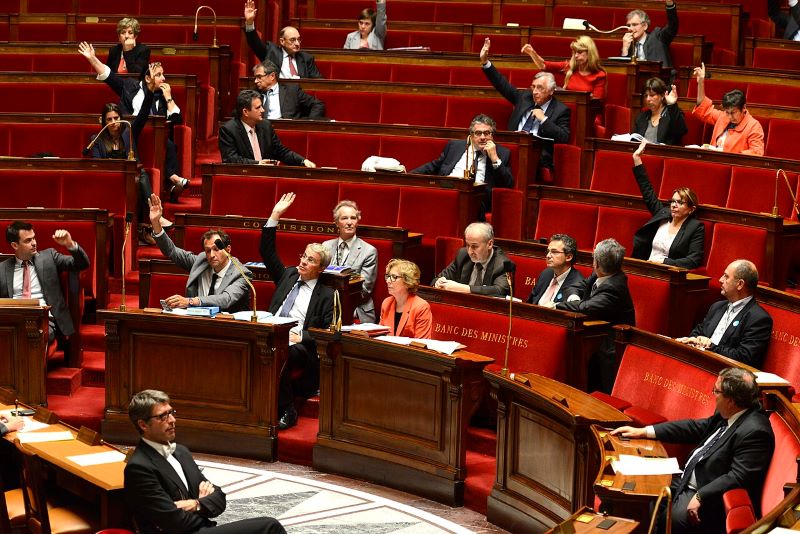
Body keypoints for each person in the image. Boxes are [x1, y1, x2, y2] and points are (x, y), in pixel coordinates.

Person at [611, 368, 774, 534]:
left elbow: (738, 477)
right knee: (642, 490)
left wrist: (700, 496)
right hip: (686, 478)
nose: (713, 394)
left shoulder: (755, 431)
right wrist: (644, 431)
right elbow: (695, 427)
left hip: (707, 494)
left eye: (716, 391)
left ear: (731, 401)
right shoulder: (730, 412)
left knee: (672, 519)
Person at [124, 389, 286, 534]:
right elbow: (175, 523)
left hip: (202, 529)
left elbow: (219, 498)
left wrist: (196, 504)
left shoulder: (180, 452)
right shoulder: (139, 467)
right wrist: (204, 506)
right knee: (270, 527)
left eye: (171, 412)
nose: (172, 420)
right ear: (143, 424)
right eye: (162, 416)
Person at [78, 42, 190, 201]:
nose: (163, 78)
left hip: (153, 137)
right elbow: (109, 75)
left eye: (162, 74)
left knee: (169, 144)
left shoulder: (164, 96)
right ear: (147, 77)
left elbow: (176, 120)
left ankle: (171, 183)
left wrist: (169, 97)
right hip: (127, 134)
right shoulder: (130, 87)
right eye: (158, 74)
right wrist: (93, 59)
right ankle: (171, 181)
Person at [261, 193, 334, 430]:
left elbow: (327, 333)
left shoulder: (326, 294)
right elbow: (268, 253)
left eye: (310, 260)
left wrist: (300, 336)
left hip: (300, 346)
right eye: (303, 256)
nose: (302, 261)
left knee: (278, 352)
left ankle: (287, 408)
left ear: (321, 268)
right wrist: (275, 216)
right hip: (271, 332)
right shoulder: (289, 275)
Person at [89, 64, 172, 244]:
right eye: (109, 119)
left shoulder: (129, 131)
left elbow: (143, 113)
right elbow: (97, 165)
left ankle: (152, 220)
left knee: (141, 176)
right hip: (110, 180)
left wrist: (149, 91)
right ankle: (149, 224)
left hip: (131, 179)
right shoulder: (97, 139)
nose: (113, 122)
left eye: (116, 118)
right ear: (103, 121)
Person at [554, 238, 635, 393]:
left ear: (597, 263)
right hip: (594, 338)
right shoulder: (600, 274)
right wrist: (574, 297)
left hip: (609, 350)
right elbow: (576, 286)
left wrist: (556, 305)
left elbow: (586, 307)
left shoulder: (615, 288)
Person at [148, 194, 252, 313]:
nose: (211, 255)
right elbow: (172, 251)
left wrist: (190, 302)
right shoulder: (202, 260)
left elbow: (226, 299)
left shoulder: (242, 273)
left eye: (216, 249)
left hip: (228, 327)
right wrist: (156, 223)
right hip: (197, 322)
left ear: (228, 249)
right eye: (208, 250)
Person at [480, 37, 571, 172]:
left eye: (540, 88)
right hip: (510, 147)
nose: (535, 92)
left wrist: (544, 119)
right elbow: (502, 84)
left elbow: (564, 138)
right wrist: (485, 62)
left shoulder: (561, 110)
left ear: (552, 91)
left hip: (536, 155)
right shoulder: (525, 98)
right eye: (533, 87)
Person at [410, 114, 513, 221]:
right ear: (471, 135)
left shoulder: (502, 153)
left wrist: (494, 158)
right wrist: (408, 175)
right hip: (447, 191)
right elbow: (434, 166)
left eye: (487, 133)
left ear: (492, 136)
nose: (483, 137)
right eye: (478, 133)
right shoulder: (454, 146)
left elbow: (508, 184)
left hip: (475, 200)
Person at [0, 222, 90, 342]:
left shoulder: (49, 257)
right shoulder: (2, 268)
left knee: (32, 335)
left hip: (44, 320)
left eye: (34, 238)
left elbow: (82, 264)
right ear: (15, 245)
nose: (34, 243)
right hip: (14, 322)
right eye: (28, 240)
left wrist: (70, 244)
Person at [676, 259, 773, 368]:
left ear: (740, 284)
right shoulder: (717, 306)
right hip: (698, 364)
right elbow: (697, 332)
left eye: (726, 277)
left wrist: (709, 346)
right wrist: (695, 340)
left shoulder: (758, 319)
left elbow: (744, 357)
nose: (720, 280)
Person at [631, 140, 704, 269]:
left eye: (680, 202)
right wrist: (637, 159)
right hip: (645, 267)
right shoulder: (663, 214)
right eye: (673, 201)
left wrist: (665, 263)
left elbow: (694, 260)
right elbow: (648, 192)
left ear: (691, 209)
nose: (674, 205)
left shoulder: (695, 227)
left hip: (667, 272)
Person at [219, 89, 316, 167]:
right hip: (244, 178)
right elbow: (231, 159)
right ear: (245, 112)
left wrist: (302, 161)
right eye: (258, 108)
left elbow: (280, 151)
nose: (263, 110)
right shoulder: (228, 130)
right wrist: (257, 164)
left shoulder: (265, 125)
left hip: (267, 176)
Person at [692, 63, 765, 156]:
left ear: (743, 108)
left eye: (733, 113)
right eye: (727, 112)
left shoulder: (754, 126)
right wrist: (701, 83)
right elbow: (703, 109)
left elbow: (757, 153)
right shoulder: (723, 116)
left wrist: (729, 154)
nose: (730, 117)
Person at [323, 200, 377, 323]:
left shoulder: (369, 251)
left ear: (357, 222)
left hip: (356, 309)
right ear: (336, 223)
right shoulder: (326, 246)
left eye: (353, 218)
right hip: (328, 306)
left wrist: (338, 308)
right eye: (344, 218)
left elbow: (365, 290)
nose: (349, 222)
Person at [244, 0, 322, 79]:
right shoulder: (271, 52)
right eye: (292, 40)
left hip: (299, 90)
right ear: (282, 41)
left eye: (298, 40)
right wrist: (249, 22)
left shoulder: (306, 59)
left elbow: (318, 83)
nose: (297, 43)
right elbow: (254, 43)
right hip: (277, 90)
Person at [433, 222, 514, 298]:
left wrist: (462, 288)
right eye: (467, 245)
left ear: (489, 244)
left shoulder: (502, 264)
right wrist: (439, 282)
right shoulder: (463, 255)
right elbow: (437, 279)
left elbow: (500, 291)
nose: (470, 251)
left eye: (475, 246)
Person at [521, 36, 607, 99]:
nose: (576, 55)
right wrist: (532, 53)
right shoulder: (569, 67)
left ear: (590, 53)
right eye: (574, 52)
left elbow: (596, 102)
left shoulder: (599, 75)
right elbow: (544, 66)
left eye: (580, 52)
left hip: (588, 115)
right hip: (567, 111)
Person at [253, 60, 326, 120]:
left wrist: (309, 122)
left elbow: (318, 104)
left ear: (272, 76)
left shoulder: (292, 91)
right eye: (255, 78)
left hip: (286, 130)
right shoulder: (254, 94)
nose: (255, 81)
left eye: (259, 77)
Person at [379, 259, 432, 338]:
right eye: (388, 276)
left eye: (394, 277)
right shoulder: (386, 303)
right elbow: (380, 336)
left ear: (408, 282)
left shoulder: (421, 307)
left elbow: (421, 343)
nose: (388, 281)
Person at [526, 234, 585, 305]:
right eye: (548, 252)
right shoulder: (546, 273)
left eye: (554, 252)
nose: (548, 256)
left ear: (568, 257)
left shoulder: (577, 283)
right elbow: (531, 302)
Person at [622, 0, 679, 71]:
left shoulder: (658, 36)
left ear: (645, 26)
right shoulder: (629, 44)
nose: (630, 28)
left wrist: (670, 5)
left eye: (634, 24)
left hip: (660, 79)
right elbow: (625, 70)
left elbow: (672, 26)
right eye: (628, 25)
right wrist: (625, 49)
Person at [633, 77, 687, 145]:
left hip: (665, 154)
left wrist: (671, 105)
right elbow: (635, 139)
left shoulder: (672, 114)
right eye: (646, 96)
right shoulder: (642, 117)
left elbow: (680, 131)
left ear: (662, 95)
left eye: (652, 95)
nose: (648, 99)